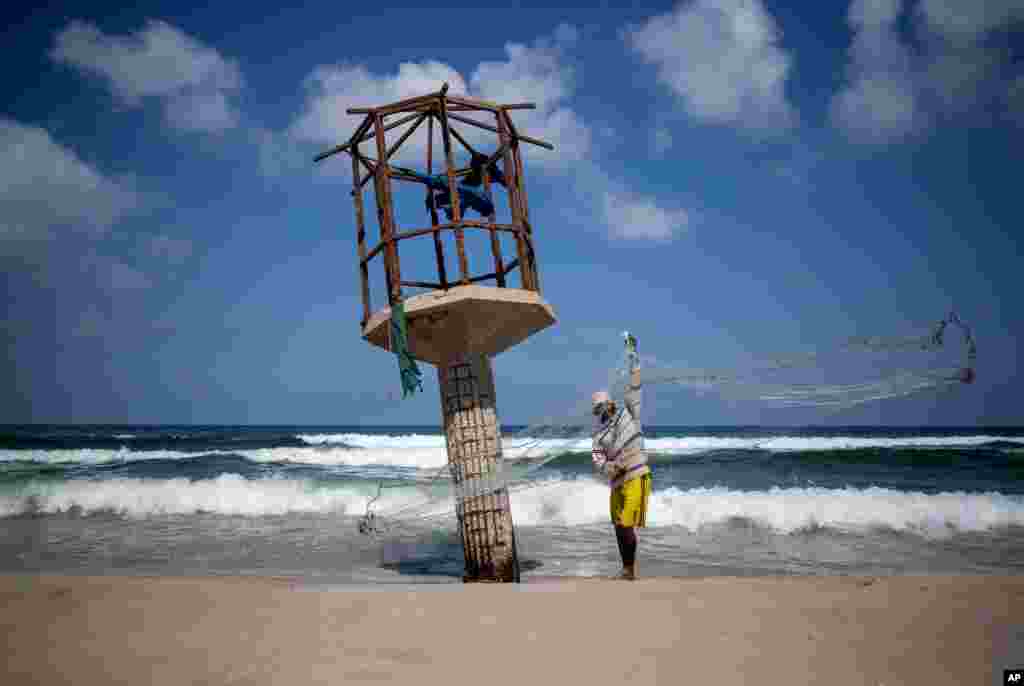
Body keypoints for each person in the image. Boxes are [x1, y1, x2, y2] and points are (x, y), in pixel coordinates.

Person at [591, 333, 651, 580]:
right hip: (616, 482)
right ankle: (627, 569)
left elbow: (635, 384)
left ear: (612, 404)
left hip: (636, 474)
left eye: (605, 405)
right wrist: (610, 468)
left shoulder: (629, 411)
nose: (603, 409)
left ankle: (630, 570)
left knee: (626, 524)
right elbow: (598, 459)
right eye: (598, 408)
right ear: (596, 412)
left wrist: (633, 357)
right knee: (618, 527)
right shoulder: (598, 435)